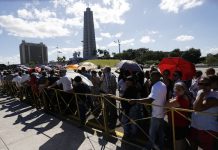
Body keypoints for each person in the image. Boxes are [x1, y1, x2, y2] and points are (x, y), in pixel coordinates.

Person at [130, 71, 167, 150]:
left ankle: (149, 147)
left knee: (152, 132)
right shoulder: (162, 84)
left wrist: (135, 100)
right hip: (161, 112)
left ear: (156, 77)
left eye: (151, 76)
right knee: (160, 131)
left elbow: (150, 100)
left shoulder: (156, 86)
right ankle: (161, 146)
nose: (150, 78)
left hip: (156, 113)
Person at [189, 77, 218, 150]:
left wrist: (201, 94)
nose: (203, 86)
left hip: (208, 129)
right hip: (195, 126)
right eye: (200, 84)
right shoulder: (199, 92)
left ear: (211, 85)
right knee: (193, 146)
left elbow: (197, 108)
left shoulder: (215, 95)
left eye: (206, 84)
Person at [166, 82, 190, 150]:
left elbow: (166, 105)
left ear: (184, 90)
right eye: (175, 89)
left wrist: (170, 100)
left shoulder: (181, 99)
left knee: (177, 145)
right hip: (179, 124)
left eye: (179, 90)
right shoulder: (179, 97)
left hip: (179, 125)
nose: (176, 91)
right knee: (181, 142)